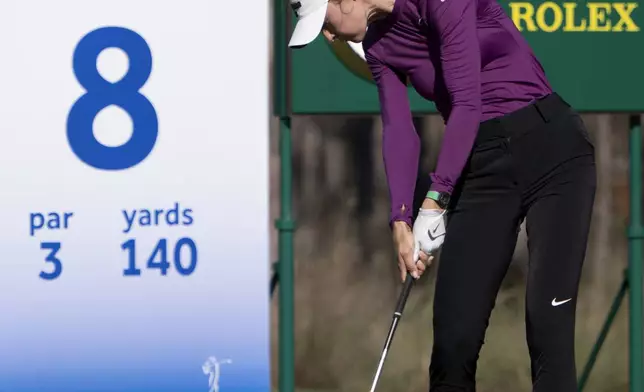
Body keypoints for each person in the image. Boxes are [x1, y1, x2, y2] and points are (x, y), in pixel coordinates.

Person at [287, 0, 597, 390]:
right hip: (482, 170)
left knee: (546, 325)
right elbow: (398, 129)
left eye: (325, 23)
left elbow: (467, 103)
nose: (329, 36)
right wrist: (400, 219)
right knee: (454, 341)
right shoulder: (379, 45)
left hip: (552, 153)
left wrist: (435, 200)